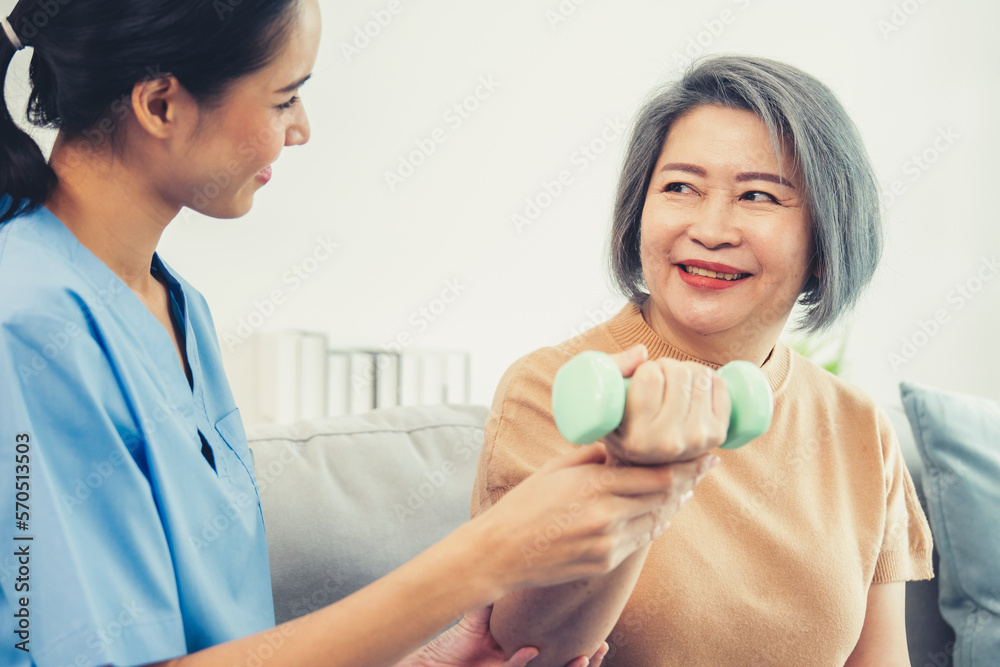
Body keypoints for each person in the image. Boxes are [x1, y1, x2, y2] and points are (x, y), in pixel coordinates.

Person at [0, 1, 707, 665]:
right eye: (284, 98)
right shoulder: (26, 323)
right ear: (160, 104)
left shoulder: (175, 305)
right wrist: (491, 552)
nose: (301, 127)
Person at [472, 55, 935, 666]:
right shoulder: (549, 390)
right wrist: (637, 472)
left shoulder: (859, 427)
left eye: (758, 195)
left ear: (827, 242)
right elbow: (530, 651)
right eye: (680, 187)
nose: (711, 228)